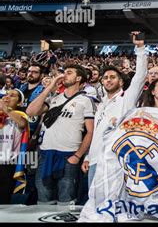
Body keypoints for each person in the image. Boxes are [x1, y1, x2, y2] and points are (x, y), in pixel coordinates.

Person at [82, 32, 147, 187]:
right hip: (95, 160)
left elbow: (140, 76)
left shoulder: (126, 98)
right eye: (105, 78)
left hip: (116, 160)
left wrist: (140, 48)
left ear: (121, 82)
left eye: (112, 77)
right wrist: (87, 156)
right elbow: (97, 133)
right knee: (95, 204)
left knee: (114, 205)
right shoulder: (101, 104)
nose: (108, 80)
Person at [26, 65, 95, 205]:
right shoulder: (54, 99)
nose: (64, 75)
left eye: (69, 73)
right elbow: (30, 111)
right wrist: (51, 85)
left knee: (66, 199)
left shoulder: (86, 100)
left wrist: (77, 156)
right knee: (43, 197)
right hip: (45, 153)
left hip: (69, 155)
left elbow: (91, 131)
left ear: (78, 78)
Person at [0, 89, 28, 203]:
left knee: (3, 200)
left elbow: (22, 124)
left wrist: (6, 109)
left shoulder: (20, 116)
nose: (7, 97)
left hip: (7, 164)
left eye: (12, 96)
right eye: (6, 94)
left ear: (20, 103)